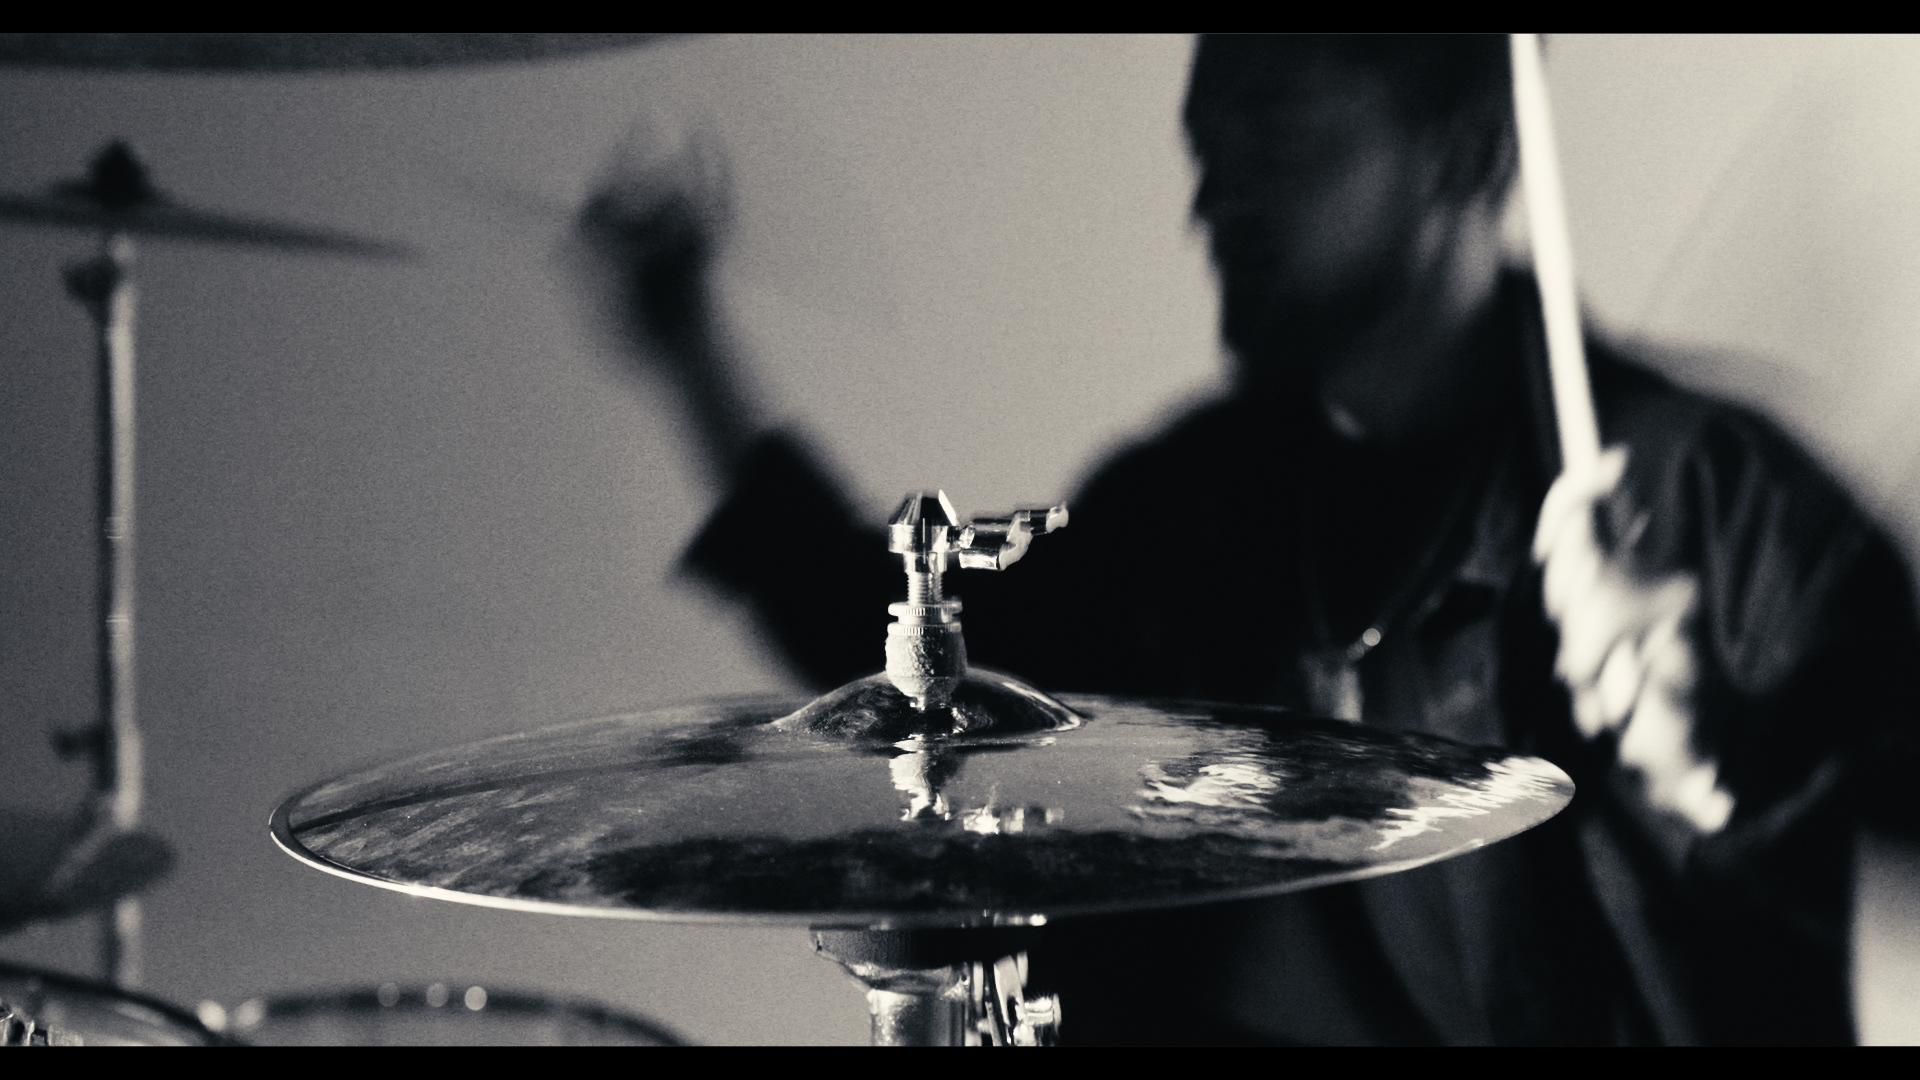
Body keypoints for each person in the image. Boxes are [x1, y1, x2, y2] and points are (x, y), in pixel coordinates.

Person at [573, 35, 1920, 1044]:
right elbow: (923, 676)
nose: (1212, 203)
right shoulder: (1194, 507)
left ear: (1465, 148)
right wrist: (688, 350)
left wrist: (1723, 780)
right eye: (1205, 152)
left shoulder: (1715, 504)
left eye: (1274, 141)